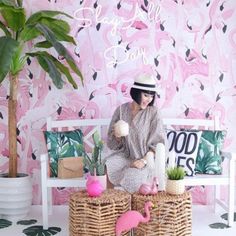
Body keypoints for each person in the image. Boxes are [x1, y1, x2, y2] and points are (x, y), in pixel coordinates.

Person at [105, 74, 166, 193]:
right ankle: (111, 202)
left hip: (146, 159)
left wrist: (143, 161)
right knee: (109, 164)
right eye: (145, 95)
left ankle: (135, 208)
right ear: (137, 93)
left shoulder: (153, 113)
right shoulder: (122, 110)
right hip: (126, 156)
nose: (149, 99)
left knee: (132, 176)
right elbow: (112, 144)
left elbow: (158, 144)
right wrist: (117, 136)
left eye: (151, 96)